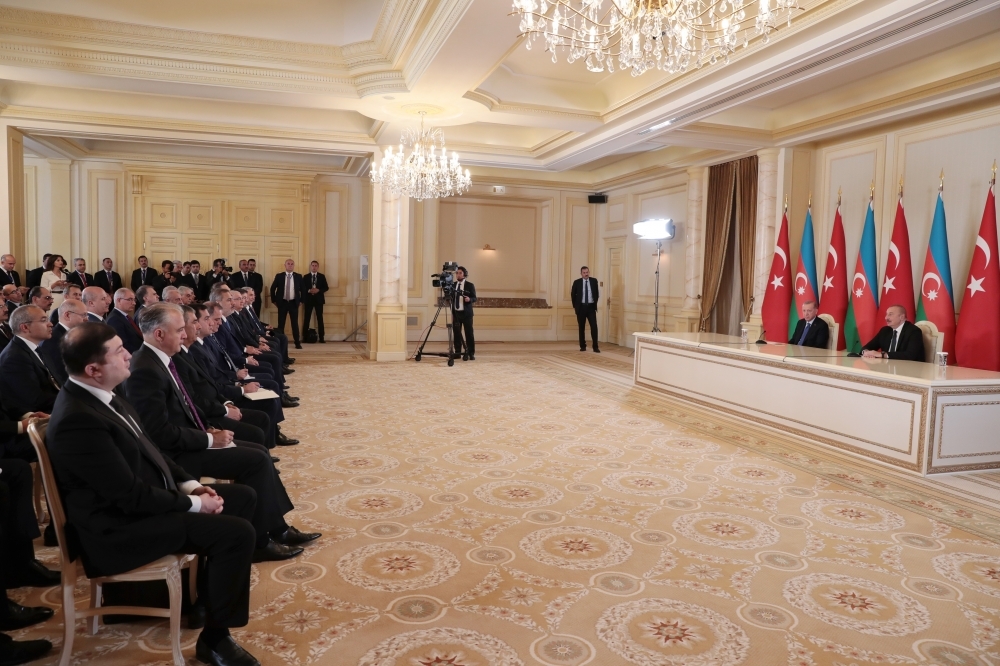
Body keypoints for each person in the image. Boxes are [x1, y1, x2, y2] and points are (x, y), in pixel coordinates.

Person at [46, 323, 262, 666]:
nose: (128, 354)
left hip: (140, 507)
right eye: (119, 351)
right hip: (117, 531)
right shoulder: (78, 419)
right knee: (237, 534)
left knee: (244, 497)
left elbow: (154, 453)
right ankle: (215, 640)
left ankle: (207, 595)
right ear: (93, 369)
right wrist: (195, 504)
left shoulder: (105, 394)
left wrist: (192, 486)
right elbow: (129, 496)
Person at [124, 304, 315, 561]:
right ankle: (262, 541)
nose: (185, 334)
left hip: (189, 440)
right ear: (159, 334)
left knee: (259, 452)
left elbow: (185, 407)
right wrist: (208, 439)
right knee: (256, 460)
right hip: (177, 456)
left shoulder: (159, 360)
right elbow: (158, 432)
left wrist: (207, 428)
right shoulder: (145, 369)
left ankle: (277, 529)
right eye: (179, 330)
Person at [0, 305, 61, 415]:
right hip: (41, 414)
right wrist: (71, 399)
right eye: (43, 320)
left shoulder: (37, 347)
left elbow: (56, 381)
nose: (51, 324)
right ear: (25, 327)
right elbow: (35, 399)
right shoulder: (15, 358)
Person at [38, 299, 88, 387]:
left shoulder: (76, 335)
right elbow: (60, 375)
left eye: (87, 315)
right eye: (83, 315)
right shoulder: (52, 340)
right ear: (67, 315)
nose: (86, 319)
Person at [269, 260, 303, 349]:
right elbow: (272, 288)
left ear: (294, 265)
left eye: (292, 264)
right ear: (285, 265)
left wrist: (301, 301)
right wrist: (274, 300)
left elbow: (303, 289)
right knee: (281, 324)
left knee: (295, 324)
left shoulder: (298, 276)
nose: (290, 265)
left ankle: (297, 343)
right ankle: (281, 343)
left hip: (293, 303)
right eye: (288, 264)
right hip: (282, 303)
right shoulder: (279, 276)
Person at [571, 266, 600, 353]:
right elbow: (573, 295)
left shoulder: (594, 281)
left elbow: (596, 294)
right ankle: (582, 346)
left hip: (591, 307)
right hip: (581, 308)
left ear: (589, 272)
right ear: (581, 274)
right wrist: (576, 307)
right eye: (584, 273)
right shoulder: (577, 282)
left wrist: (594, 304)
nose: (586, 274)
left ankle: (595, 347)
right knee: (581, 327)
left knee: (594, 327)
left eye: (587, 272)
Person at [451, 266, 476, 361]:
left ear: (464, 274)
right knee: (457, 334)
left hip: (467, 314)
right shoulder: (453, 285)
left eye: (460, 273)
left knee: (469, 334)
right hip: (456, 314)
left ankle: (470, 353)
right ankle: (458, 352)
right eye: (457, 273)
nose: (458, 275)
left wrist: (469, 299)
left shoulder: (470, 285)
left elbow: (474, 298)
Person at [107, 288, 143, 353]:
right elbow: (123, 345)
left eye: (134, 300)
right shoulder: (114, 319)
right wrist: (141, 353)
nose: (134, 303)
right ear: (119, 300)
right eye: (130, 299)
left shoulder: (126, 316)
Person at [302, 261, 329, 343]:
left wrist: (319, 290)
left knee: (320, 319)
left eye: (315, 266)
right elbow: (302, 287)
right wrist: (309, 290)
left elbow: (326, 287)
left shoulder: (322, 276)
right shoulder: (306, 276)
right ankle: (305, 337)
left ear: (318, 267)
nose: (314, 267)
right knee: (307, 318)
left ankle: (321, 337)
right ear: (310, 266)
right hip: (308, 300)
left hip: (319, 300)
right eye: (313, 265)